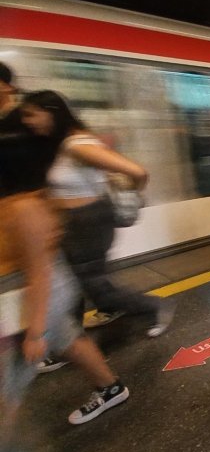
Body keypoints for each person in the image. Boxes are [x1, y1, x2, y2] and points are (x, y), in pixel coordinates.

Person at [0, 113, 131, 452]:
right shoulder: (21, 202)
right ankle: (111, 388)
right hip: (31, 296)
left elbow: (39, 273)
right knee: (69, 337)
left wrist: (34, 332)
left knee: (7, 389)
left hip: (32, 298)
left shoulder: (23, 208)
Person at [18, 91, 175, 374]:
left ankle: (154, 306)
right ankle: (68, 344)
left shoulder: (77, 146)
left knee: (95, 289)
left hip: (89, 223)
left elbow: (137, 171)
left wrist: (131, 197)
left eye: (32, 114)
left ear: (51, 111)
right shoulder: (70, 143)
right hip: (76, 223)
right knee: (73, 286)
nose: (28, 122)